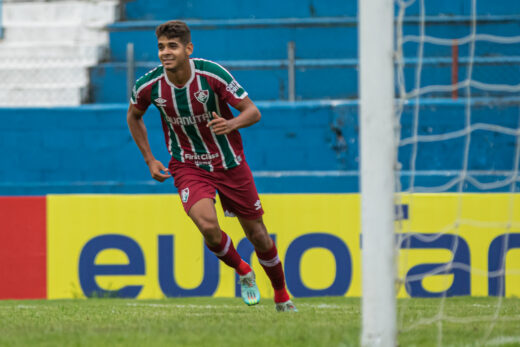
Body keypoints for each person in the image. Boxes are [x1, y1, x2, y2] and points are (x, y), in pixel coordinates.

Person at [126, 20, 297, 312]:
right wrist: (150, 159)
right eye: (161, 47)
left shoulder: (211, 74)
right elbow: (134, 116)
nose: (165, 53)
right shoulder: (149, 86)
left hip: (229, 163)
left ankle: (281, 294)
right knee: (207, 225)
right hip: (187, 165)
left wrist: (230, 123)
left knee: (258, 234)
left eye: (172, 46)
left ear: (188, 49)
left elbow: (253, 112)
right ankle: (244, 270)